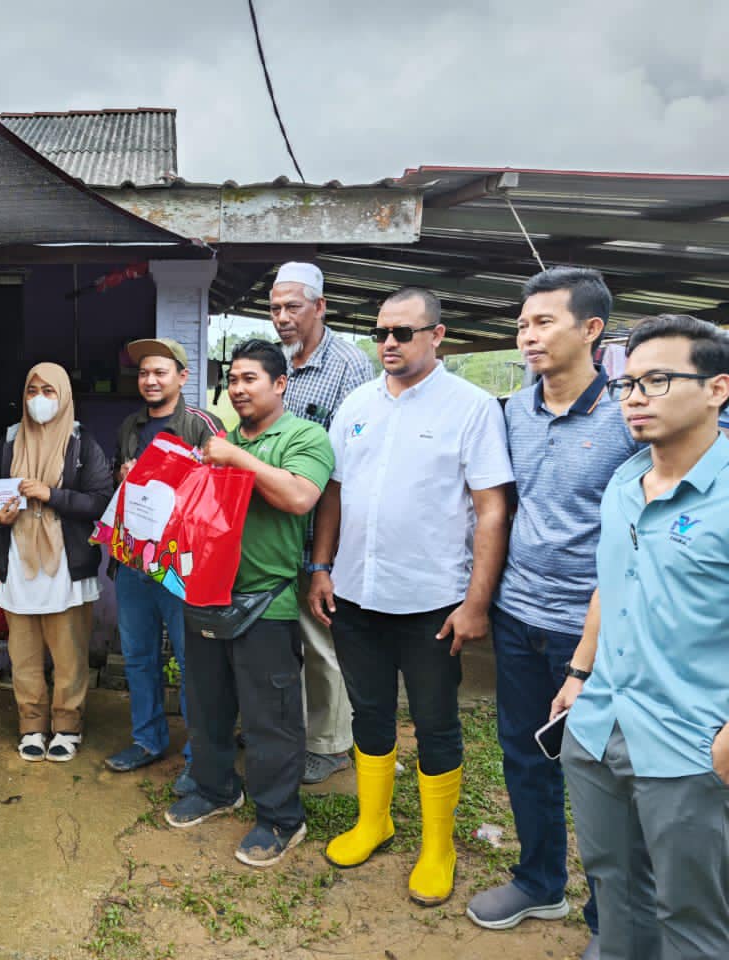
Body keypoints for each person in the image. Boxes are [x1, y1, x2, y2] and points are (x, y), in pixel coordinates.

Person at [310, 287, 513, 906]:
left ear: (437, 335)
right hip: (357, 595)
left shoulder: (472, 408)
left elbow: (491, 507)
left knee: (434, 722)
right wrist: (322, 565)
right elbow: (335, 493)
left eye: (403, 332)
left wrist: (476, 603)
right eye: (381, 333)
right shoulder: (357, 403)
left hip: (432, 601)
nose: (390, 343)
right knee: (369, 713)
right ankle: (375, 819)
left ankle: (439, 844)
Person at [465, 269, 634, 953]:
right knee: (523, 755)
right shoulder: (513, 412)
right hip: (518, 617)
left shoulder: (629, 420)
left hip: (595, 630)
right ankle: (539, 880)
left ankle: (610, 918)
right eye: (523, 324)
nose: (528, 336)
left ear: (591, 330)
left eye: (544, 323)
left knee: (600, 774)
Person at [556, 314, 729, 960]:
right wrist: (578, 674)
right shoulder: (626, 483)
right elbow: (611, 582)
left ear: (718, 389)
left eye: (657, 380)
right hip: (602, 726)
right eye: (627, 383)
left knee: (692, 911)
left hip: (691, 744)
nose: (633, 397)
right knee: (613, 886)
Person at [164, 339, 333, 868]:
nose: (237, 389)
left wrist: (235, 458)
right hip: (206, 595)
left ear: (280, 384)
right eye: (232, 380)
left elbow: (300, 497)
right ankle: (216, 789)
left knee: (270, 718)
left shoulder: (303, 436)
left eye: (249, 379)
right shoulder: (217, 442)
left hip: (269, 602)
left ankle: (281, 817)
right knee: (209, 706)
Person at [270, 261, 374, 785]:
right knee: (288, 636)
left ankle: (332, 744)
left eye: (293, 307)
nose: (283, 317)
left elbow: (346, 471)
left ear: (320, 307)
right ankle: (299, 728)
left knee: (321, 640)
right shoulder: (282, 361)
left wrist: (324, 560)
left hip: (321, 532)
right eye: (275, 308)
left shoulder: (350, 365)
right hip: (279, 530)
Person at [104, 338, 223, 793]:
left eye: (160, 372)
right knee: (138, 657)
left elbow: (219, 493)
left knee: (194, 662)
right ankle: (148, 739)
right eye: (143, 374)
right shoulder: (130, 425)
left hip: (182, 567)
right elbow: (122, 485)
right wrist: (122, 477)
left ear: (183, 377)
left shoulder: (201, 425)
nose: (150, 381)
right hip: (135, 561)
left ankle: (199, 756)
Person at [0, 363, 113, 762]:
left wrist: (51, 494)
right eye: (32, 390)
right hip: (19, 562)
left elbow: (100, 501)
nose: (39, 398)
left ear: (64, 396)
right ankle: (31, 725)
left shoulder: (82, 443)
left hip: (66, 564)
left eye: (49, 391)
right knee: (22, 654)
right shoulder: (8, 442)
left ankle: (67, 725)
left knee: (69, 654)